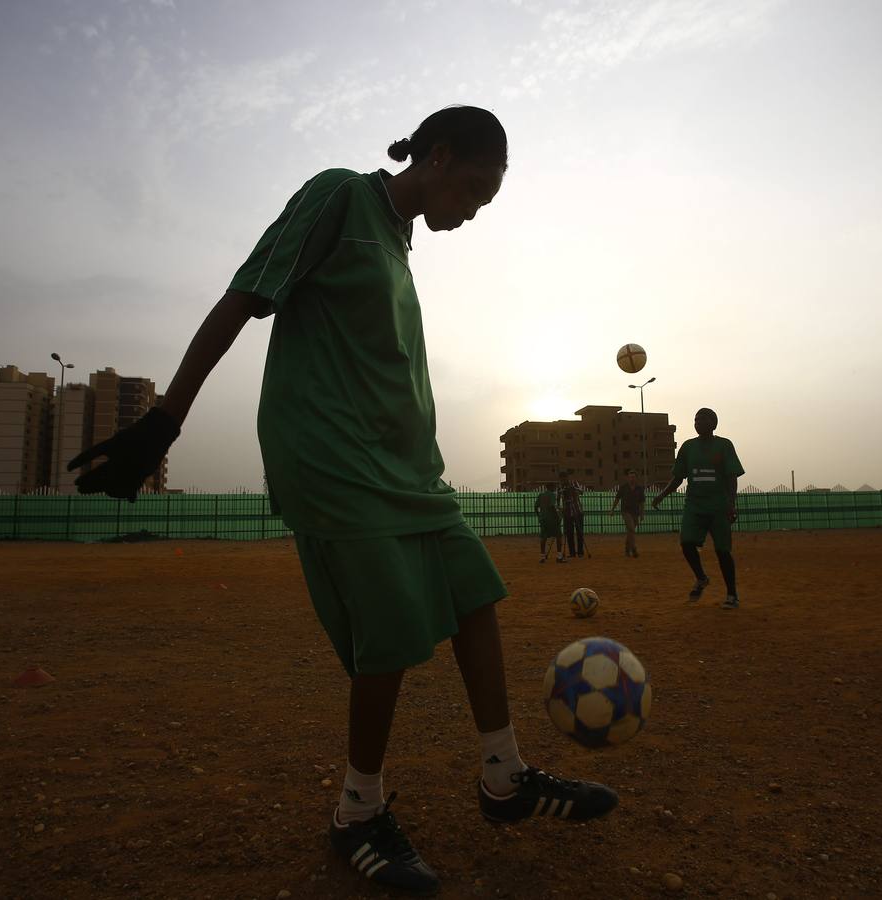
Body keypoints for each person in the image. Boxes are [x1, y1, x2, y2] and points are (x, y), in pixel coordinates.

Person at [67, 106, 616, 896]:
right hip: (328, 456)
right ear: (438, 155)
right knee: (388, 635)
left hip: (404, 470)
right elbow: (242, 298)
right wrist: (164, 419)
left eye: (486, 203)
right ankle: (357, 813)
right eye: (473, 188)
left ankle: (505, 777)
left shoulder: (401, 245)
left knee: (474, 593)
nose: (473, 211)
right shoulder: (338, 198)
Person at [651, 408, 745, 608]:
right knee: (686, 543)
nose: (697, 422)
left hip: (719, 506)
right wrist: (661, 495)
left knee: (722, 551)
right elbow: (678, 477)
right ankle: (701, 577)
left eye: (702, 419)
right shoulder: (688, 447)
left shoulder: (724, 445)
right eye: (695, 419)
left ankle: (732, 594)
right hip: (694, 505)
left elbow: (731, 477)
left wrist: (731, 503)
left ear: (714, 423)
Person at [609, 467, 646, 557]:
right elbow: (617, 499)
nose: (632, 478)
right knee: (632, 529)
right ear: (628, 478)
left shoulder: (639, 489)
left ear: (636, 478)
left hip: (635, 512)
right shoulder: (623, 488)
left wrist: (642, 514)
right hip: (625, 512)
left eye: (633, 477)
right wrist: (612, 509)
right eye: (630, 477)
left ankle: (626, 549)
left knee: (630, 532)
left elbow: (642, 502)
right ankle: (634, 549)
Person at [558, 470, 589, 558]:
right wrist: (560, 509)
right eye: (562, 479)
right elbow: (558, 498)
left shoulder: (574, 483)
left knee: (580, 532)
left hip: (577, 511)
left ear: (567, 477)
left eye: (565, 478)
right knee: (569, 533)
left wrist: (573, 488)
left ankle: (580, 552)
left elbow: (582, 491)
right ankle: (572, 552)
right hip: (567, 512)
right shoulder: (560, 487)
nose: (564, 480)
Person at [535, 482, 565, 563]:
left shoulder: (541, 495)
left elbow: (535, 506)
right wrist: (557, 516)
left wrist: (539, 516)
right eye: (554, 487)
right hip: (551, 519)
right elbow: (552, 506)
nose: (555, 488)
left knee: (543, 538)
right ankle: (559, 557)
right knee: (558, 536)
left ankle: (542, 557)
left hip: (543, 519)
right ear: (551, 487)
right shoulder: (552, 495)